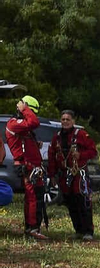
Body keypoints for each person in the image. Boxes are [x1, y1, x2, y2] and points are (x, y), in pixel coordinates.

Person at [47, 109, 99, 240]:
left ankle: (88, 231)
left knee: (83, 201)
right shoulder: (57, 137)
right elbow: (52, 157)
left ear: (73, 121)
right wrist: (52, 175)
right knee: (70, 203)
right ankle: (79, 230)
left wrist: (81, 155)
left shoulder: (80, 134)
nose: (65, 122)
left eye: (67, 119)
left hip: (79, 175)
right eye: (63, 119)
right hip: (64, 175)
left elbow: (93, 150)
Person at [6, 95, 48, 240]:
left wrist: (36, 145)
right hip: (27, 167)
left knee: (38, 196)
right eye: (29, 110)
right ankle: (31, 229)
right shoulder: (14, 124)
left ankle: (34, 227)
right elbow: (34, 122)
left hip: (35, 167)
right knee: (32, 198)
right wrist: (25, 109)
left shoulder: (23, 127)